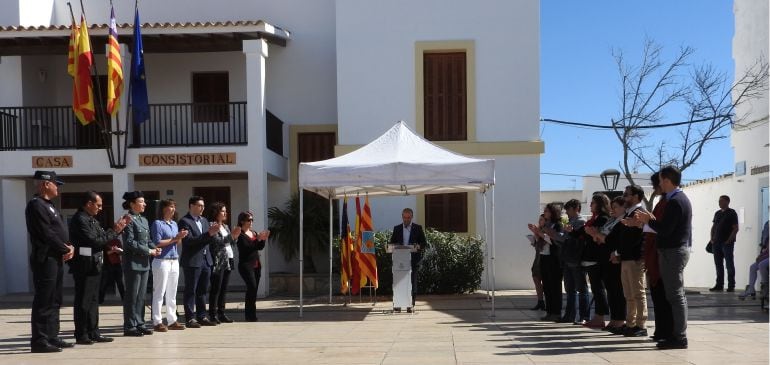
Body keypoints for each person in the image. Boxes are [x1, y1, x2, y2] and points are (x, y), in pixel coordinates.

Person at [635, 165, 692, 350]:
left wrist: (648, 221)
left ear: (667, 180)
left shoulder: (676, 201)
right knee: (673, 295)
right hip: (671, 251)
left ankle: (679, 336)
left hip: (673, 252)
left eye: (660, 180)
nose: (658, 184)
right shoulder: (675, 199)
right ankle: (673, 334)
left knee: (675, 296)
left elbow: (665, 229)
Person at [68, 191, 129, 344]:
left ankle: (93, 332)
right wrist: (114, 230)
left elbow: (103, 239)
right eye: (99, 205)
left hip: (95, 264)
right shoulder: (80, 219)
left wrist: (114, 232)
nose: (100, 208)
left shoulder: (92, 220)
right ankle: (81, 334)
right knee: (84, 300)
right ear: (89, 204)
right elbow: (94, 241)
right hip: (84, 266)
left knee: (94, 300)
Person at [25, 170, 75, 353]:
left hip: (56, 258)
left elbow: (59, 231)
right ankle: (39, 340)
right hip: (45, 258)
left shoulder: (49, 205)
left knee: (55, 299)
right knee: (44, 300)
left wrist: (70, 246)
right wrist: (65, 248)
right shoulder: (36, 205)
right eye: (56, 184)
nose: (58, 187)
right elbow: (46, 233)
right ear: (46, 184)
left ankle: (52, 336)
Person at [121, 191, 161, 337]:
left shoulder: (143, 220)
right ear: (132, 204)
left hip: (144, 263)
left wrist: (154, 248)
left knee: (141, 295)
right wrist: (149, 251)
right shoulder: (128, 219)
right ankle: (130, 326)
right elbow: (130, 242)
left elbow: (148, 239)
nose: (144, 204)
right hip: (132, 263)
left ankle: (140, 323)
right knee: (132, 295)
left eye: (144, 202)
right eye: (141, 201)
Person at [178, 196, 219, 328]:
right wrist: (208, 235)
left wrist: (214, 235)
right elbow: (189, 241)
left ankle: (202, 316)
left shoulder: (205, 221)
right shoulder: (184, 221)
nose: (202, 208)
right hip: (192, 261)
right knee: (191, 290)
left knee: (203, 290)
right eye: (199, 205)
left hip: (206, 260)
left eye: (203, 206)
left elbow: (209, 240)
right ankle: (190, 318)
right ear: (191, 206)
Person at [642, 172, 674, 341]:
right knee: (657, 296)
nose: (656, 188)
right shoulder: (662, 201)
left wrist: (647, 222)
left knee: (664, 296)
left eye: (657, 184)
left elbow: (661, 226)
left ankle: (667, 332)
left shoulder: (671, 202)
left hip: (662, 253)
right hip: (654, 252)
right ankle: (661, 330)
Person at [584, 195, 623, 331]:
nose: (590, 205)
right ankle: (612, 319)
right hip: (602, 257)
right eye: (612, 207)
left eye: (593, 203)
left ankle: (616, 319)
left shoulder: (606, 219)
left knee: (612, 290)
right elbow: (600, 237)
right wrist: (596, 235)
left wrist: (595, 234)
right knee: (607, 289)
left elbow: (608, 238)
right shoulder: (609, 220)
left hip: (608, 257)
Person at [149, 199, 188, 332]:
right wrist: (175, 238)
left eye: (174, 207)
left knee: (172, 292)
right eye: (170, 206)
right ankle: (157, 321)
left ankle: (172, 320)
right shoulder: (157, 223)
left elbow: (177, 243)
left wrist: (180, 237)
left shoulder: (174, 224)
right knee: (159, 292)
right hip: (161, 260)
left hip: (174, 259)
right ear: (164, 209)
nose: (173, 209)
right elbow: (157, 242)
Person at [617, 185, 648, 337]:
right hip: (626, 258)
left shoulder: (640, 212)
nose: (624, 197)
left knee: (638, 292)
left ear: (636, 196)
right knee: (628, 294)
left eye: (627, 194)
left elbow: (638, 238)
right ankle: (630, 323)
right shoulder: (627, 213)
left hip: (635, 258)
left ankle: (641, 325)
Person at [553, 199, 588, 324]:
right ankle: (569, 315)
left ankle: (584, 316)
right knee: (569, 290)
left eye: (568, 209)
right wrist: (554, 235)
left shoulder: (581, 222)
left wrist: (566, 233)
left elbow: (576, 239)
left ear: (576, 208)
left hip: (576, 259)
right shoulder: (570, 222)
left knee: (581, 289)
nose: (566, 212)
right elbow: (563, 239)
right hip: (567, 258)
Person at [207, 202, 241, 324]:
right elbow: (217, 242)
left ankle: (222, 313)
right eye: (222, 211)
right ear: (216, 213)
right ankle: (212, 314)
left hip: (228, 259)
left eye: (226, 211)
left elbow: (230, 243)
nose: (225, 213)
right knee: (216, 288)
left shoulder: (225, 226)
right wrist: (232, 236)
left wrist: (235, 237)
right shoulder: (211, 225)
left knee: (224, 288)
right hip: (218, 260)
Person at [389, 208, 428, 312]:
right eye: (405, 217)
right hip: (399, 261)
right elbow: (392, 243)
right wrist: (395, 246)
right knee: (398, 282)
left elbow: (424, 243)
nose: (406, 219)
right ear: (402, 217)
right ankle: (397, 304)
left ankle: (410, 304)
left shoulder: (417, 228)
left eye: (408, 217)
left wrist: (418, 246)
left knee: (412, 282)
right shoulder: (397, 228)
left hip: (413, 260)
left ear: (412, 217)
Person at [528, 203, 563, 321]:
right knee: (547, 286)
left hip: (554, 258)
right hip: (544, 257)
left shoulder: (557, 225)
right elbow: (540, 240)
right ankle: (549, 312)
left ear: (553, 212)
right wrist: (536, 232)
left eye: (547, 211)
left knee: (554, 286)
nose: (545, 212)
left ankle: (556, 312)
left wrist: (540, 233)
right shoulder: (546, 225)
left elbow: (555, 241)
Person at [236, 211, 270, 322]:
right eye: (248, 220)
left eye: (252, 220)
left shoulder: (254, 233)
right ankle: (248, 314)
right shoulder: (240, 234)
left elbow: (259, 247)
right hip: (246, 265)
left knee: (253, 290)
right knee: (251, 287)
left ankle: (252, 314)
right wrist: (258, 240)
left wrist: (263, 239)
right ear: (242, 221)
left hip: (256, 264)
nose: (251, 222)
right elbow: (246, 248)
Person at [709, 195, 739, 292]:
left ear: (727, 202)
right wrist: (712, 239)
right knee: (718, 265)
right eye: (719, 201)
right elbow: (713, 227)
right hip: (716, 243)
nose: (719, 203)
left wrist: (728, 240)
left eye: (721, 201)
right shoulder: (717, 213)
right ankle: (719, 285)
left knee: (729, 264)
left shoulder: (732, 213)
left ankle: (731, 285)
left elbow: (735, 228)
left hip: (726, 244)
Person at [738, 220, 769, 300]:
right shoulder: (767, 223)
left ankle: (765, 286)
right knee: (753, 267)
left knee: (762, 264)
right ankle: (751, 288)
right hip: (767, 252)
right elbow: (765, 239)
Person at [528, 214, 546, 311]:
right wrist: (534, 237)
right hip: (538, 257)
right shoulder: (539, 230)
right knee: (535, 277)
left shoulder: (546, 231)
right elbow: (537, 246)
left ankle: (543, 301)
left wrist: (537, 234)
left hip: (544, 258)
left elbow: (543, 244)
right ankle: (540, 301)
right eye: (539, 219)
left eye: (542, 219)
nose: (540, 221)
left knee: (542, 279)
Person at [98, 238, 125, 304]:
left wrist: (115, 250)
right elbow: (106, 252)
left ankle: (124, 299)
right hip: (107, 265)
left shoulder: (117, 241)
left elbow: (121, 252)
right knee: (104, 283)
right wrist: (114, 250)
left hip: (117, 264)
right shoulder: (105, 241)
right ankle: (100, 300)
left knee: (120, 283)